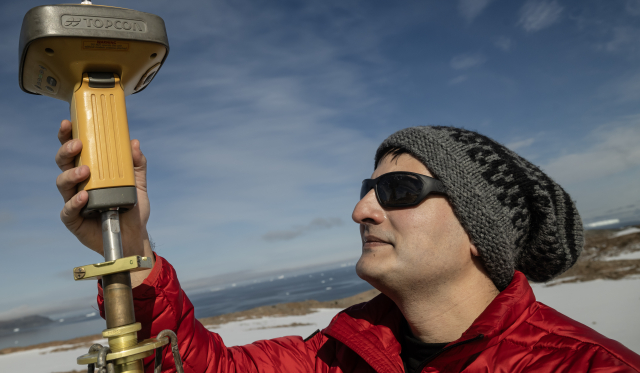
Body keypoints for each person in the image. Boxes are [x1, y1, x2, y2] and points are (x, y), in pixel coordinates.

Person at [55, 123, 640, 373]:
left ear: (480, 234)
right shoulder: (339, 355)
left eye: (399, 190)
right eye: (367, 190)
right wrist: (130, 241)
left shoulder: (592, 367)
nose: (362, 210)